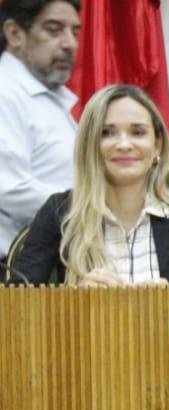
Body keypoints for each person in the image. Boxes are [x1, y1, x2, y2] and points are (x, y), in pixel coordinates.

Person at [11, 84, 169, 285]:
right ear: (90, 146)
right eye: (107, 133)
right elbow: (15, 311)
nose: (124, 144)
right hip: (85, 331)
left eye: (137, 132)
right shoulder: (59, 213)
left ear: (157, 145)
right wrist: (74, 303)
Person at [0, 0, 80, 263]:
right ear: (14, 34)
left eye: (75, 32)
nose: (70, 44)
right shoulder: (5, 93)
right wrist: (89, 207)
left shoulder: (46, 96)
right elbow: (8, 189)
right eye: (54, 29)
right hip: (12, 274)